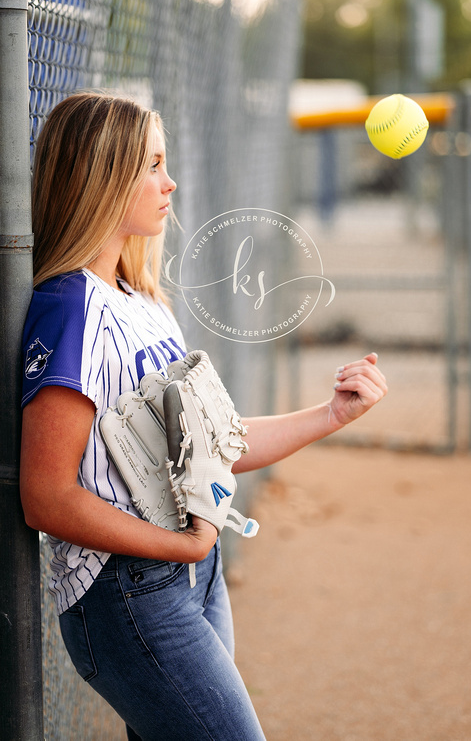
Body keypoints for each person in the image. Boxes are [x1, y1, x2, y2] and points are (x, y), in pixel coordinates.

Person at [19, 91, 388, 741]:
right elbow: (47, 497)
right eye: (152, 166)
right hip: (129, 591)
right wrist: (184, 543)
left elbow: (212, 450)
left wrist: (331, 414)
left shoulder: (139, 298)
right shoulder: (70, 308)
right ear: (102, 178)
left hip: (189, 572)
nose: (170, 183)